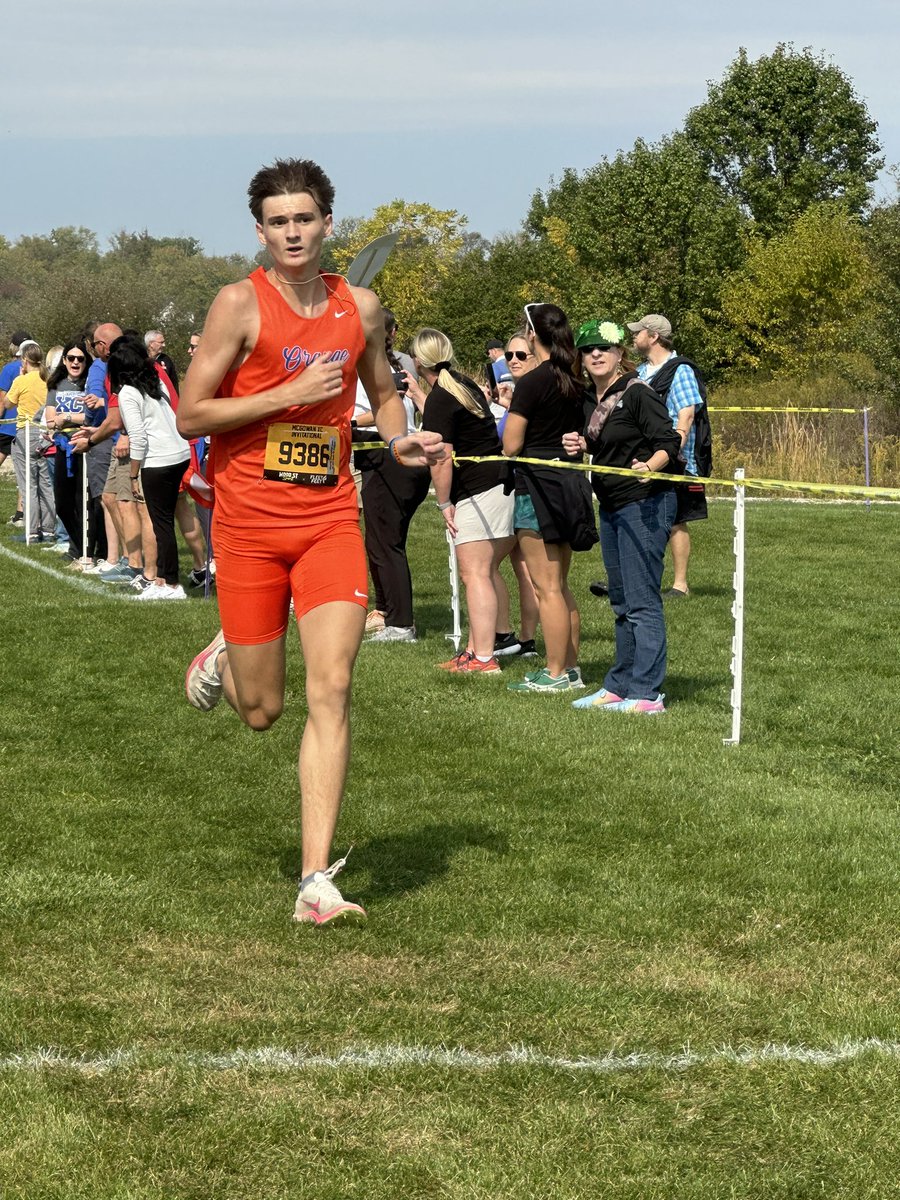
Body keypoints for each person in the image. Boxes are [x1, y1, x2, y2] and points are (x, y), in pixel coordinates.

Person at [176, 157, 446, 926]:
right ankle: (226, 653)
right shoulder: (238, 305)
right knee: (262, 712)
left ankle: (315, 883)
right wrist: (283, 395)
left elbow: (387, 394)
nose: (293, 232)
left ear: (328, 223)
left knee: (332, 689)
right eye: (278, 221)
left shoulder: (358, 306)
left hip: (329, 517)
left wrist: (397, 442)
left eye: (305, 218)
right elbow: (193, 415)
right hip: (250, 522)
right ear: (259, 231)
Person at [565, 319, 682, 714]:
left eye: (604, 347)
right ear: (580, 359)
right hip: (613, 504)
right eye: (587, 349)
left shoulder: (637, 394)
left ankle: (647, 694)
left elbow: (670, 439)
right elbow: (602, 443)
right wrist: (578, 443)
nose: (595, 354)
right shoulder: (588, 399)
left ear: (619, 355)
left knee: (642, 600)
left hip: (645, 502)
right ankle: (619, 685)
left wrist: (651, 465)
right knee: (620, 600)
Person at [502, 303, 597, 693]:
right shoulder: (573, 381)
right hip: (571, 485)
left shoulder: (533, 382)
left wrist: (510, 407)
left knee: (547, 588)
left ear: (532, 334)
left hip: (537, 488)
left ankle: (555, 673)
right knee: (561, 584)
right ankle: (570, 669)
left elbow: (511, 445)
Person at [410, 328, 515, 673]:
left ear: (417, 361)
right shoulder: (463, 385)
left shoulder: (441, 395)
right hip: (498, 483)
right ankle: (475, 649)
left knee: (476, 574)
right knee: (485, 570)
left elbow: (440, 458)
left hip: (479, 489)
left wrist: (444, 503)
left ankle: (484, 658)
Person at [354, 308, 431, 642]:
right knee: (378, 541)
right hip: (382, 458)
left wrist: (351, 423)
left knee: (387, 544)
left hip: (390, 455)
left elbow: (387, 412)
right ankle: (386, 613)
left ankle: (401, 623)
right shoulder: (391, 365)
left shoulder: (381, 368)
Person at [628, 314, 708, 598]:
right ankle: (637, 578)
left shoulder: (680, 370)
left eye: (639, 333)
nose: (634, 337)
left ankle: (680, 584)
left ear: (653, 337)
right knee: (641, 517)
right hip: (645, 458)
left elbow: (686, 414)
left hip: (676, 459)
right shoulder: (640, 372)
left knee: (675, 521)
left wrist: (673, 450)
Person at [109, 336, 190, 600]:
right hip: (179, 453)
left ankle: (171, 584)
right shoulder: (154, 383)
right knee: (163, 521)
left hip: (159, 460)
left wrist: (133, 475)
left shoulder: (128, 393)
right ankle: (162, 580)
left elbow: (139, 437)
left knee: (161, 524)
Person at [493, 331, 539, 658]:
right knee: (523, 568)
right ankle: (526, 641)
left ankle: (507, 635)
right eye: (509, 355)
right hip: (513, 485)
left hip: (524, 487)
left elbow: (512, 445)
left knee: (484, 565)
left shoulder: (533, 392)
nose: (513, 361)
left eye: (521, 355)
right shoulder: (520, 393)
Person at [44, 338, 91, 563]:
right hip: (63, 447)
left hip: (86, 446)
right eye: (71, 358)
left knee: (83, 500)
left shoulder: (90, 383)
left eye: (80, 359)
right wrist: (58, 422)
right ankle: (76, 542)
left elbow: (92, 416)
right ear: (64, 361)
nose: (75, 362)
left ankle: (82, 549)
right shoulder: (56, 385)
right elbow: (50, 419)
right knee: (63, 502)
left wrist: (69, 417)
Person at [7, 341, 56, 542]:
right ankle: (49, 529)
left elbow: (8, 403)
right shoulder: (49, 379)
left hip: (26, 432)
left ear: (25, 360)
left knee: (28, 484)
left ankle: (32, 531)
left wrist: (20, 378)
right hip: (45, 433)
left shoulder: (22, 380)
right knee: (45, 483)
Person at [1, 330, 34, 524]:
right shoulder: (38, 370)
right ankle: (21, 513)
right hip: (27, 425)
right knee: (25, 471)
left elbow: (2, 399)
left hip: (7, 426)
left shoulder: (9, 368)